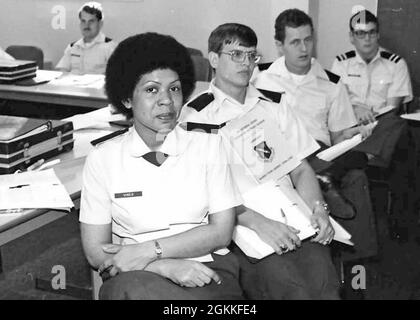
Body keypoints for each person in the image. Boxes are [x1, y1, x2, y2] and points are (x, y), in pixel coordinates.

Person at [79, 32, 244, 300]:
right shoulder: (103, 158)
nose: (166, 100)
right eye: (151, 89)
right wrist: (162, 265)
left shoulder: (210, 147)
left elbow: (221, 232)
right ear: (127, 99)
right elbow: (95, 250)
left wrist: (149, 250)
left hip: (207, 267)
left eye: (174, 88)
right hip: (133, 272)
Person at [180, 23, 339, 299]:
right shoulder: (197, 116)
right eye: (236, 55)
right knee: (291, 287)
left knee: (326, 283)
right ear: (214, 59)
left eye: (251, 55)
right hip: (242, 225)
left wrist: (319, 208)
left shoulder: (274, 104)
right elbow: (202, 193)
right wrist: (258, 222)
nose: (246, 63)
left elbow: (301, 169)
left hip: (292, 217)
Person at [253, 9, 378, 263]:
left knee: (357, 171)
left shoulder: (332, 83)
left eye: (308, 40)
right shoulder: (260, 78)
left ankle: (357, 265)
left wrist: (353, 135)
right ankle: (324, 182)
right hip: (275, 158)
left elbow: (338, 136)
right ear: (279, 45)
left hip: (319, 153)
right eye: (295, 42)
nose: (304, 48)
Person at [331, 9, 414, 241]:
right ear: (351, 37)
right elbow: (336, 103)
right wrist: (356, 110)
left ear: (378, 35)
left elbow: (394, 107)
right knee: (402, 149)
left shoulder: (395, 64)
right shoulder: (340, 64)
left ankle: (359, 158)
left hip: (382, 127)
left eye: (371, 33)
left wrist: (371, 118)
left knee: (399, 127)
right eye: (360, 33)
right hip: (351, 128)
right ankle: (365, 156)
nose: (366, 39)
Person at [56, 2, 117, 74]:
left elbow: (117, 76)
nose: (86, 25)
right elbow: (62, 72)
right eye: (83, 21)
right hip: (72, 84)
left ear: (100, 24)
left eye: (91, 21)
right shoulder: (73, 47)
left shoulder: (110, 47)